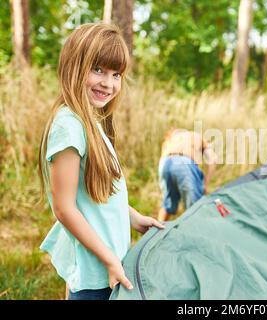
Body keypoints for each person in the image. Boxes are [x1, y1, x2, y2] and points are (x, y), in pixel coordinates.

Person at [38, 23, 165, 300]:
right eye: (98, 70)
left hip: (109, 262)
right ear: (74, 67)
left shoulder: (92, 123)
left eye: (116, 74)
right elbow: (64, 208)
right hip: (96, 271)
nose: (108, 83)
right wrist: (108, 259)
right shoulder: (69, 126)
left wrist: (134, 218)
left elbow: (102, 196)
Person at [157, 128, 218, 222]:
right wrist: (205, 184)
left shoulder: (171, 141)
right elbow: (212, 159)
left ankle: (157, 233)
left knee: (167, 204)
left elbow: (162, 163)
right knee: (195, 208)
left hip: (164, 163)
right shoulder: (196, 136)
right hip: (184, 163)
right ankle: (195, 234)